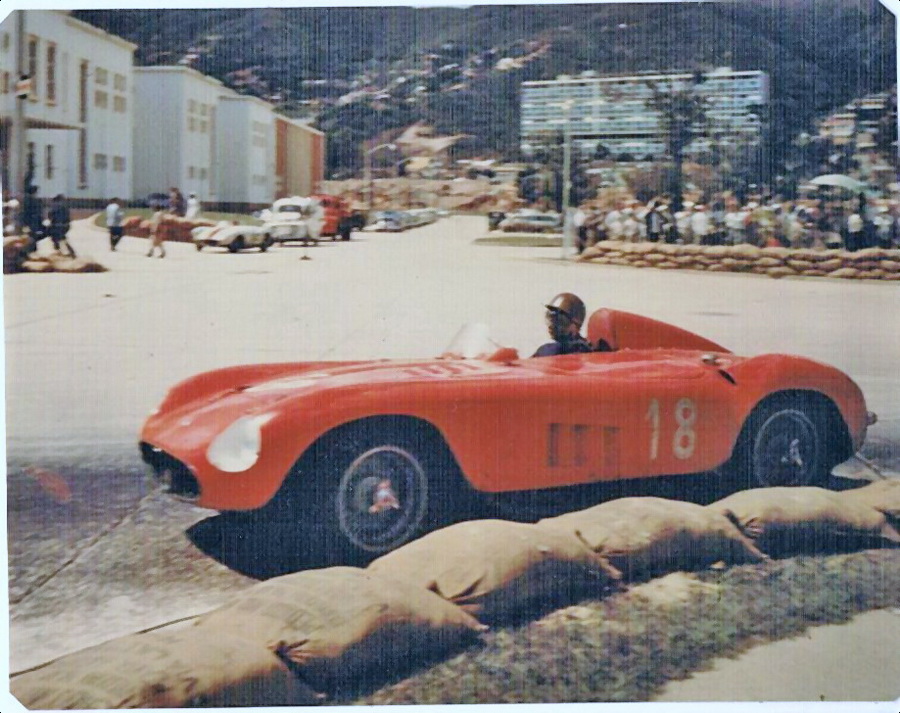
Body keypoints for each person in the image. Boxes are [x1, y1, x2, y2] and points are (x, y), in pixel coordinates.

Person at [533, 293, 594, 357]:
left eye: (560, 320)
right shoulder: (546, 350)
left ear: (575, 325)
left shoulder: (584, 352)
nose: (553, 325)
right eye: (551, 318)